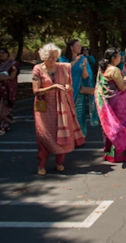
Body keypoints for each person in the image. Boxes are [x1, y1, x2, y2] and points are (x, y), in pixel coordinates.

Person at [32, 43, 85, 175]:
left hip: (62, 106)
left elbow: (69, 85)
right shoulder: (38, 69)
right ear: (44, 56)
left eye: (55, 57)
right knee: (44, 136)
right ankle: (41, 164)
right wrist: (53, 87)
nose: (53, 60)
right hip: (44, 109)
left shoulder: (62, 67)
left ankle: (59, 162)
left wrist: (67, 88)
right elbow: (36, 91)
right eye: (50, 57)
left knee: (63, 135)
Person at [95, 48, 126, 163]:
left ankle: (110, 154)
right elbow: (121, 87)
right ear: (113, 58)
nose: (120, 58)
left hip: (107, 103)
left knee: (110, 126)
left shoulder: (102, 69)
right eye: (118, 56)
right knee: (123, 125)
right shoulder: (114, 70)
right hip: (118, 104)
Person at [59, 39, 97, 137]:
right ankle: (67, 137)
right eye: (77, 45)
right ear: (71, 47)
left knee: (79, 115)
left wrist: (84, 66)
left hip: (79, 92)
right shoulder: (62, 60)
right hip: (66, 91)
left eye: (80, 45)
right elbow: (62, 72)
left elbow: (85, 76)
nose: (79, 47)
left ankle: (79, 137)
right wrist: (74, 61)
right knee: (66, 116)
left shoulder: (83, 59)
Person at [0, 48, 20, 136]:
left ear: (7, 54)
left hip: (7, 90)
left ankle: (3, 126)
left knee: (6, 108)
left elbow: (12, 77)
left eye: (3, 53)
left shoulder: (13, 64)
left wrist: (1, 78)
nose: (1, 55)